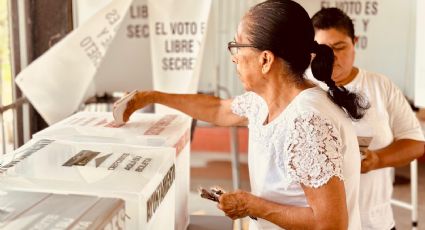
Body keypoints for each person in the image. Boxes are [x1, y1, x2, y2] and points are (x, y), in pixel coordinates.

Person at [116, 1, 368, 229]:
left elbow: (331, 224)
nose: (234, 57)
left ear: (265, 60)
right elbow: (218, 109)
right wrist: (152, 97)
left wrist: (252, 206)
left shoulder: (307, 120)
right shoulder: (265, 101)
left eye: (237, 46)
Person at [311, 7, 425, 230]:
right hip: (319, 223)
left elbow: (415, 143)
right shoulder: (302, 87)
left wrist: (377, 159)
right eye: (322, 50)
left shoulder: (380, 86)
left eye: (339, 47)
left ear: (355, 42)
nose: (331, 58)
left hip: (374, 222)